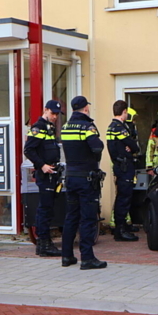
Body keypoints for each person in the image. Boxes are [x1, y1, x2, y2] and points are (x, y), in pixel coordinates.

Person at [60, 95, 107, 270]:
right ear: (86, 108)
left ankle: (67, 256)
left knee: (71, 216)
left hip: (70, 177)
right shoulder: (87, 126)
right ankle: (87, 258)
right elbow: (97, 147)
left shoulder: (65, 127)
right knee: (87, 218)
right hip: (86, 178)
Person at [24, 99, 64, 257]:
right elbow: (28, 150)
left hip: (52, 172)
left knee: (48, 209)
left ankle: (44, 244)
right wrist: (42, 165)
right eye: (53, 113)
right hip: (45, 173)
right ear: (45, 110)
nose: (55, 116)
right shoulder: (38, 127)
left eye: (57, 114)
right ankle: (44, 243)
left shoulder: (49, 128)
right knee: (44, 209)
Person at [106, 100, 139, 242]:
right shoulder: (120, 128)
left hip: (119, 166)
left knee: (123, 196)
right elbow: (134, 146)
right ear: (124, 112)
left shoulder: (111, 127)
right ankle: (120, 230)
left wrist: (128, 146)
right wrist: (131, 147)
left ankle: (123, 226)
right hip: (124, 166)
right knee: (124, 198)